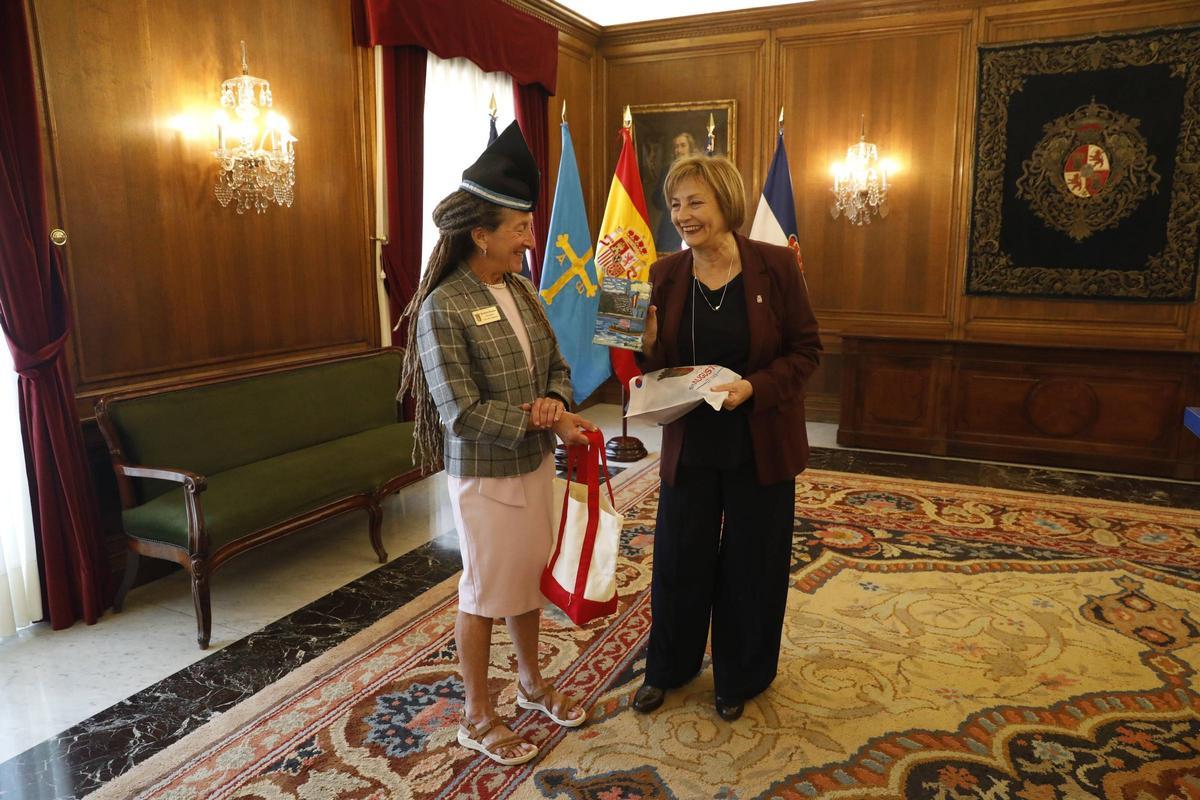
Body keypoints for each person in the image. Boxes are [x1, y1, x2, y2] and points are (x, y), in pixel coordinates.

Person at [399, 122, 597, 765]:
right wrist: (540, 420)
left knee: (527, 582)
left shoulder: (520, 289)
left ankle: (533, 685)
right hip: (485, 477)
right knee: (484, 593)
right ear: (479, 233)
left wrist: (558, 404)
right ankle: (477, 716)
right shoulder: (442, 307)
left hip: (534, 468)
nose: (529, 238)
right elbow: (459, 413)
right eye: (518, 228)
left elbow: (556, 367)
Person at [632, 155, 822, 722]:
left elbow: (806, 351)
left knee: (753, 563)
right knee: (678, 558)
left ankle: (740, 674)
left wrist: (755, 388)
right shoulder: (663, 274)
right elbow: (658, 365)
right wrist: (643, 339)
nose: (683, 215)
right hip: (691, 441)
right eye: (675, 204)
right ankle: (669, 668)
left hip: (759, 437)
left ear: (725, 204)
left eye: (695, 202)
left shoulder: (776, 266)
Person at [652, 132, 703, 253]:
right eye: (676, 146)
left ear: (690, 147)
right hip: (669, 227)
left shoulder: (700, 170)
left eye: (682, 145)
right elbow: (655, 199)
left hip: (694, 222)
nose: (679, 150)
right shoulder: (667, 170)